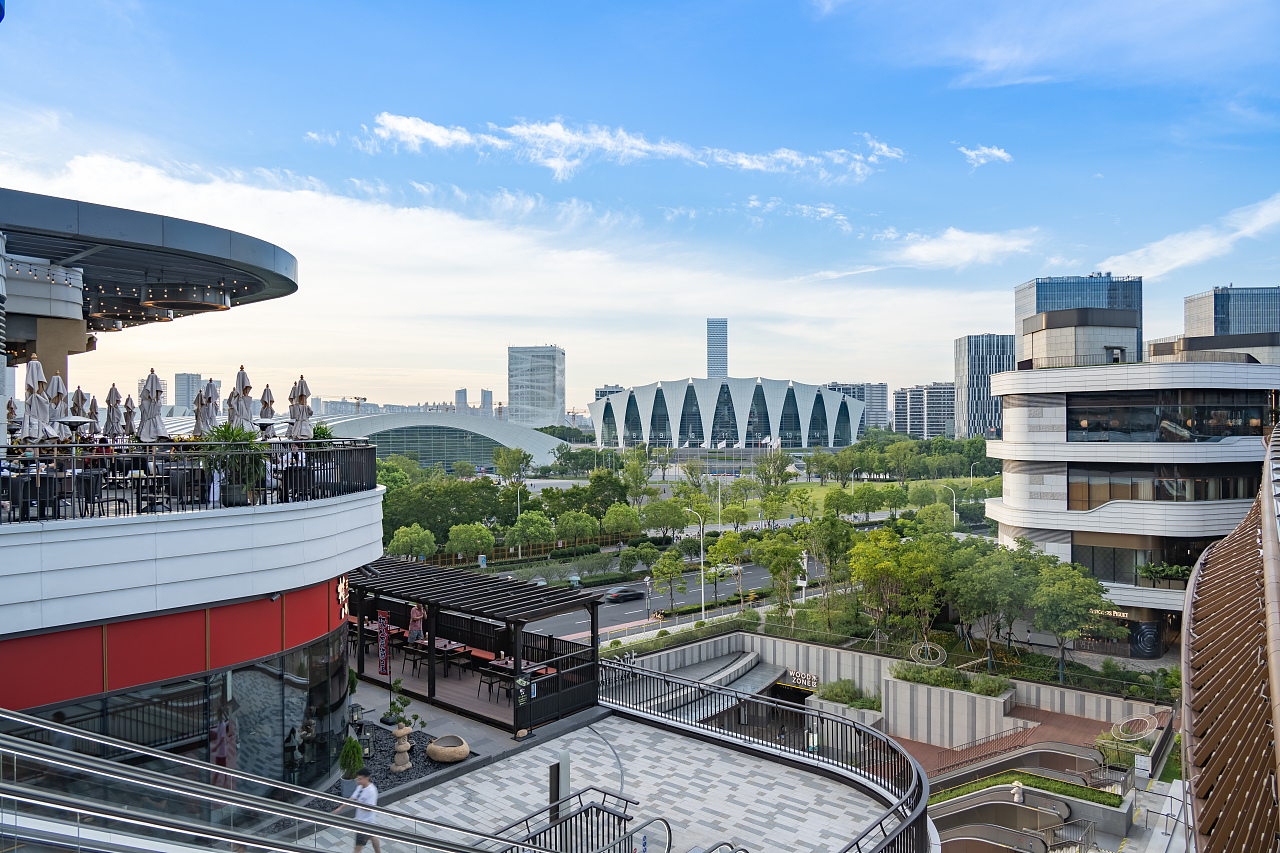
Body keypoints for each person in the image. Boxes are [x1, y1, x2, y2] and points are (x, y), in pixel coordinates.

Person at [333, 768, 381, 853]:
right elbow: (352, 798)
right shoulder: (360, 787)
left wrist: (357, 804)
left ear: (367, 778)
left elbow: (370, 808)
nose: (358, 781)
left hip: (365, 824)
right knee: (372, 837)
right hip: (362, 822)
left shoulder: (372, 791)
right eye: (358, 779)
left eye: (360, 779)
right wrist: (340, 808)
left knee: (357, 847)